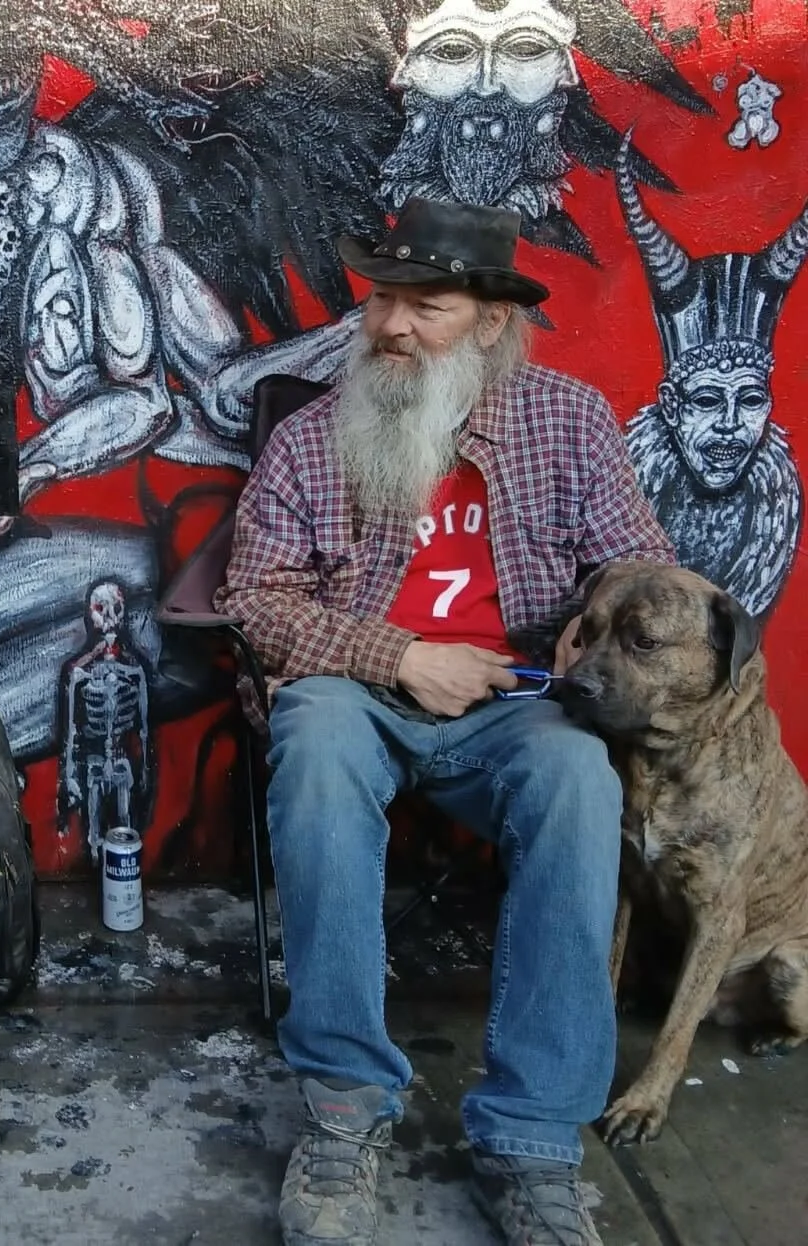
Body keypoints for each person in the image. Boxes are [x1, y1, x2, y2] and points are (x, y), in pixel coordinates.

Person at [217, 198, 676, 1246]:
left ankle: (532, 1139)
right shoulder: (311, 438)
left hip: (515, 704)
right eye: (384, 299)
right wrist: (402, 658)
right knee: (317, 746)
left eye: (427, 306)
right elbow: (256, 601)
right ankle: (343, 1109)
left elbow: (640, 565)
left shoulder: (569, 422)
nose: (392, 325)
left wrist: (597, 615)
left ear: (489, 321)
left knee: (579, 781)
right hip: (354, 695)